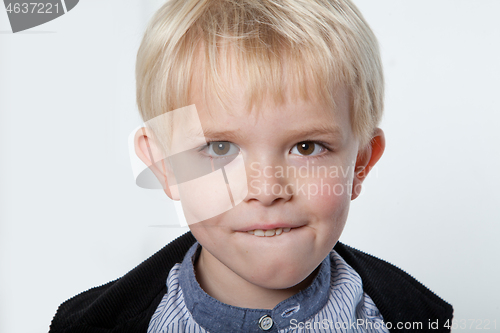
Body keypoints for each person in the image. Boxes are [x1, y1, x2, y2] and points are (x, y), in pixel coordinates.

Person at [49, 0, 453, 332]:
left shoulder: (413, 318)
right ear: (165, 165)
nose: (266, 188)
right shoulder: (91, 325)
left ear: (361, 164)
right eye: (220, 148)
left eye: (307, 147)